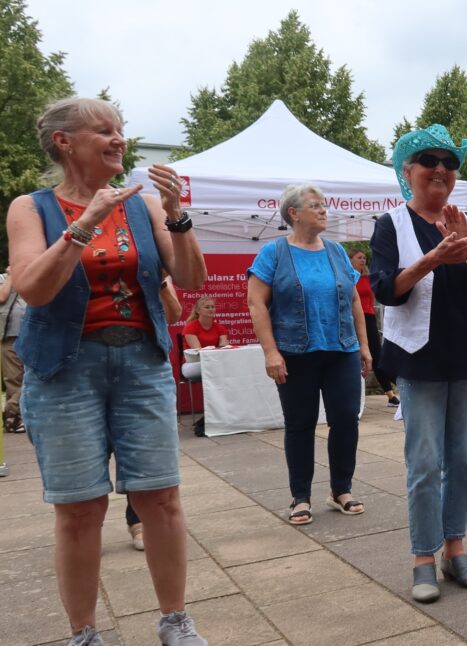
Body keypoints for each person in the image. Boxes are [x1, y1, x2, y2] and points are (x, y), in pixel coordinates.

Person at [8, 97, 208, 646]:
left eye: (121, 130)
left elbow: (190, 279)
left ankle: (175, 621)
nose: (119, 138)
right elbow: (33, 288)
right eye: (104, 130)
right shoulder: (32, 207)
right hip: (65, 370)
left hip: (142, 363)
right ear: (64, 142)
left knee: (161, 497)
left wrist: (178, 216)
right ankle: (85, 634)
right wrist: (83, 225)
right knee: (79, 509)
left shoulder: (140, 207)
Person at [369, 125, 467, 602]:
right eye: (430, 160)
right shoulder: (391, 224)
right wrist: (433, 258)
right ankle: (423, 558)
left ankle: (456, 549)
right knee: (425, 464)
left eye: (450, 163)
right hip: (419, 360)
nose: (442, 169)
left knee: (464, 463)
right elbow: (386, 289)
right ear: (407, 171)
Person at [247, 183, 372, 528]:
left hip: (341, 350)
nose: (323, 210)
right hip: (295, 352)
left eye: (324, 205)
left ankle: (341, 490)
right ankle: (300, 496)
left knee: (346, 419)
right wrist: (270, 352)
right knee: (300, 425)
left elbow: (354, 300)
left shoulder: (335, 251)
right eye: (315, 205)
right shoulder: (274, 253)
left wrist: (363, 345)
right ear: (293, 213)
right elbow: (256, 303)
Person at [127, 276, 183, 550]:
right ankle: (89, 524)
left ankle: (137, 520)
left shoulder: (147, 246)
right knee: (95, 456)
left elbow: (173, 313)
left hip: (140, 361)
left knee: (141, 461)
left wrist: (160, 280)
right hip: (80, 363)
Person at [350, 249, 400, 408]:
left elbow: (372, 298)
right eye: (359, 257)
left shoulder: (367, 278)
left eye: (364, 257)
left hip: (369, 316)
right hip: (352, 318)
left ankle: (391, 394)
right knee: (355, 356)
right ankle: (356, 396)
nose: (363, 260)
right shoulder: (348, 276)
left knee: (377, 355)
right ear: (350, 259)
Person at [0, 267, 28, 434]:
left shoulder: (31, 276)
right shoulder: (3, 278)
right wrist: (12, 276)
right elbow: (2, 297)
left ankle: (20, 416)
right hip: (10, 336)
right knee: (14, 377)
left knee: (30, 377)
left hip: (30, 336)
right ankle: (13, 418)